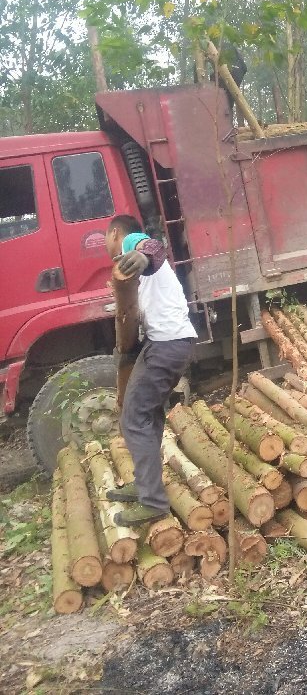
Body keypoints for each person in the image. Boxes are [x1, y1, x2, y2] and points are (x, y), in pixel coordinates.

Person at [104, 214, 197, 526]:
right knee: (148, 414)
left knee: (134, 418)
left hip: (167, 345)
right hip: (168, 343)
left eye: (107, 238)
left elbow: (154, 247)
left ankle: (153, 502)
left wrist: (142, 256)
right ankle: (145, 485)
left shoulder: (132, 243)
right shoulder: (136, 278)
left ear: (114, 233)